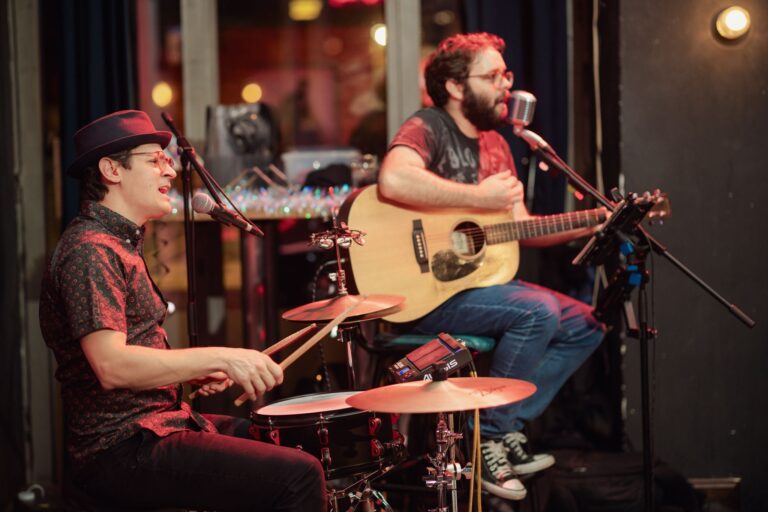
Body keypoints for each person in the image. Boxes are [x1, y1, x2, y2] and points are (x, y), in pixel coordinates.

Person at [39, 110, 326, 511]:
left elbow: (132, 352)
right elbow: (111, 366)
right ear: (111, 170)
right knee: (300, 474)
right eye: (154, 160)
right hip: (120, 447)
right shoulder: (91, 250)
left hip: (158, 425)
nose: (170, 171)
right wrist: (221, 357)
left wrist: (192, 370)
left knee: (293, 441)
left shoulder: (118, 243)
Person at [378, 33, 606, 501]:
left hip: (480, 287)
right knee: (538, 311)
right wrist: (478, 198)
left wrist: (591, 222)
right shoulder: (428, 125)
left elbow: (519, 228)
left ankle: (506, 425)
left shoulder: (497, 145)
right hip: (427, 294)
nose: (507, 85)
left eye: (507, 74)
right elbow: (394, 178)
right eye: (493, 76)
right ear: (456, 86)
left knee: (588, 324)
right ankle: (488, 439)